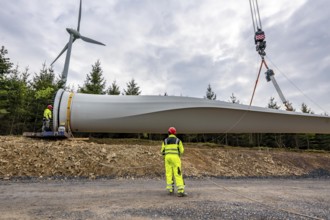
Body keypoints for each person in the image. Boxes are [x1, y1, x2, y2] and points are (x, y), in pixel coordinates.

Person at [161, 127, 187, 197]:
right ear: (175, 133)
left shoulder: (165, 141)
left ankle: (170, 189)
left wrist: (165, 156)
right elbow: (181, 151)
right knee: (178, 173)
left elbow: (162, 151)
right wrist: (178, 155)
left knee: (169, 173)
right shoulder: (178, 141)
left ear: (168, 133)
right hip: (175, 158)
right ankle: (180, 191)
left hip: (167, 158)